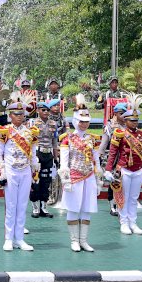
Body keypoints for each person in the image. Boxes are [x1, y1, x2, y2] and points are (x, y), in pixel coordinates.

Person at [0, 99, 40, 251]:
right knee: (11, 205)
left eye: (22, 114)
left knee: (22, 205)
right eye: (16, 114)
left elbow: (32, 154)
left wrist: (34, 170)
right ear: (10, 115)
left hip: (25, 171)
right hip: (11, 171)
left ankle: (19, 238)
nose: (20, 116)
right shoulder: (4, 131)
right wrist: (1, 172)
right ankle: (8, 238)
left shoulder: (30, 132)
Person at [58, 95, 102, 252]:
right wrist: (66, 180)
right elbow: (64, 162)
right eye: (81, 121)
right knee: (73, 208)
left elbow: (96, 161)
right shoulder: (67, 139)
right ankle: (74, 240)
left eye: (86, 121)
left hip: (89, 176)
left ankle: (84, 240)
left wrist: (98, 180)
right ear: (76, 121)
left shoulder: (92, 139)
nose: (84, 124)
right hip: (74, 177)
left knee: (87, 208)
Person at [104, 94, 142, 235]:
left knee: (134, 198)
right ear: (126, 120)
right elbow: (112, 153)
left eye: (136, 120)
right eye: (132, 120)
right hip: (124, 169)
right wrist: (108, 169)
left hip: (138, 170)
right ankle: (124, 223)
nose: (135, 123)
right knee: (123, 196)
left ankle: (133, 223)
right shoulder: (119, 134)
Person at [27, 101, 58, 218]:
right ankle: (35, 207)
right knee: (35, 180)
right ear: (38, 111)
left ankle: (44, 207)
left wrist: (56, 158)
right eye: (43, 110)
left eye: (47, 110)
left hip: (48, 154)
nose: (45, 112)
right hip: (37, 154)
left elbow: (55, 142)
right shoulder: (32, 123)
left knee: (46, 181)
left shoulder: (53, 124)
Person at [99, 102, 127, 216]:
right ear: (115, 113)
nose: (124, 116)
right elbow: (104, 143)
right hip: (114, 157)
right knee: (114, 182)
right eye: (121, 113)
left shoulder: (128, 125)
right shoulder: (110, 126)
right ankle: (113, 205)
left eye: (125, 113)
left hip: (126, 158)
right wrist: (100, 156)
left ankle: (123, 204)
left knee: (125, 182)